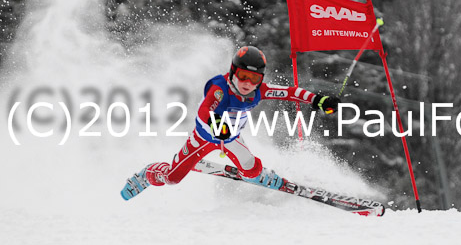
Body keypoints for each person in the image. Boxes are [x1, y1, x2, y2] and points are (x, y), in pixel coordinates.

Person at [121, 46, 340, 200]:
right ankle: (148, 173)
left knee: (252, 170)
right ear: (233, 72)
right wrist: (217, 124)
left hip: (232, 138)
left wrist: (318, 100)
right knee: (172, 178)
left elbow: (290, 93)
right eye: (243, 76)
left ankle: (262, 175)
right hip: (203, 138)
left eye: (254, 79)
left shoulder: (259, 91)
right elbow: (204, 110)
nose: (248, 83)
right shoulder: (220, 89)